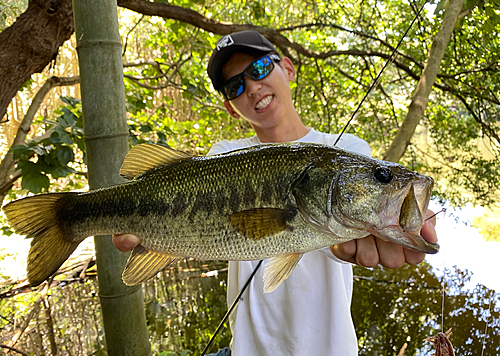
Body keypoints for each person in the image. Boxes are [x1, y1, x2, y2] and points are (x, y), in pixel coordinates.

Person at [113, 30, 438, 355]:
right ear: (230, 108)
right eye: (235, 86)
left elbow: (328, 230)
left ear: (287, 68)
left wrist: (380, 229)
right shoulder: (223, 154)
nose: (252, 87)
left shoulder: (348, 150)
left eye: (258, 69)